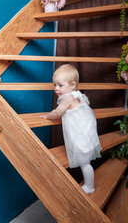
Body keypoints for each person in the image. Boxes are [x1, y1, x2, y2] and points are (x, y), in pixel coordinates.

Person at [40, 64, 102, 194]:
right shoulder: (78, 95)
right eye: (54, 85)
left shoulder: (67, 98)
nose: (56, 89)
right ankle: (89, 185)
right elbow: (87, 103)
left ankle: (89, 186)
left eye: (60, 85)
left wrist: (47, 116)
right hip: (86, 132)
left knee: (85, 164)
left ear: (72, 85)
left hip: (80, 135)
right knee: (86, 162)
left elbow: (57, 113)